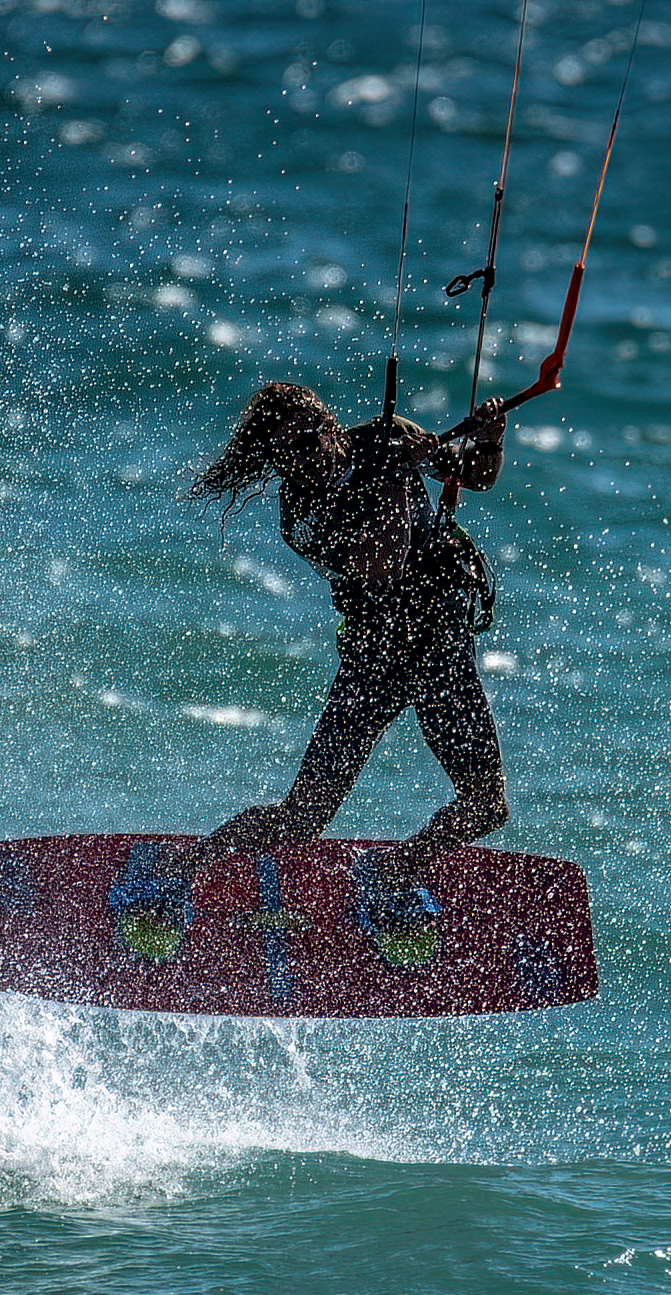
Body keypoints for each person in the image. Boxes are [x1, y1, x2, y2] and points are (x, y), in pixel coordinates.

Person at [148, 382, 511, 966]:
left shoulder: (390, 438)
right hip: (377, 658)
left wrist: (489, 441)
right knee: (301, 820)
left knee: (486, 804)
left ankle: (393, 871)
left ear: (331, 422)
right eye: (289, 451)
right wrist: (395, 481)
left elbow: (474, 473)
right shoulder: (302, 517)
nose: (307, 454)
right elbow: (380, 566)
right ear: (276, 462)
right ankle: (182, 871)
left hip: (440, 646)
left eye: (312, 436)